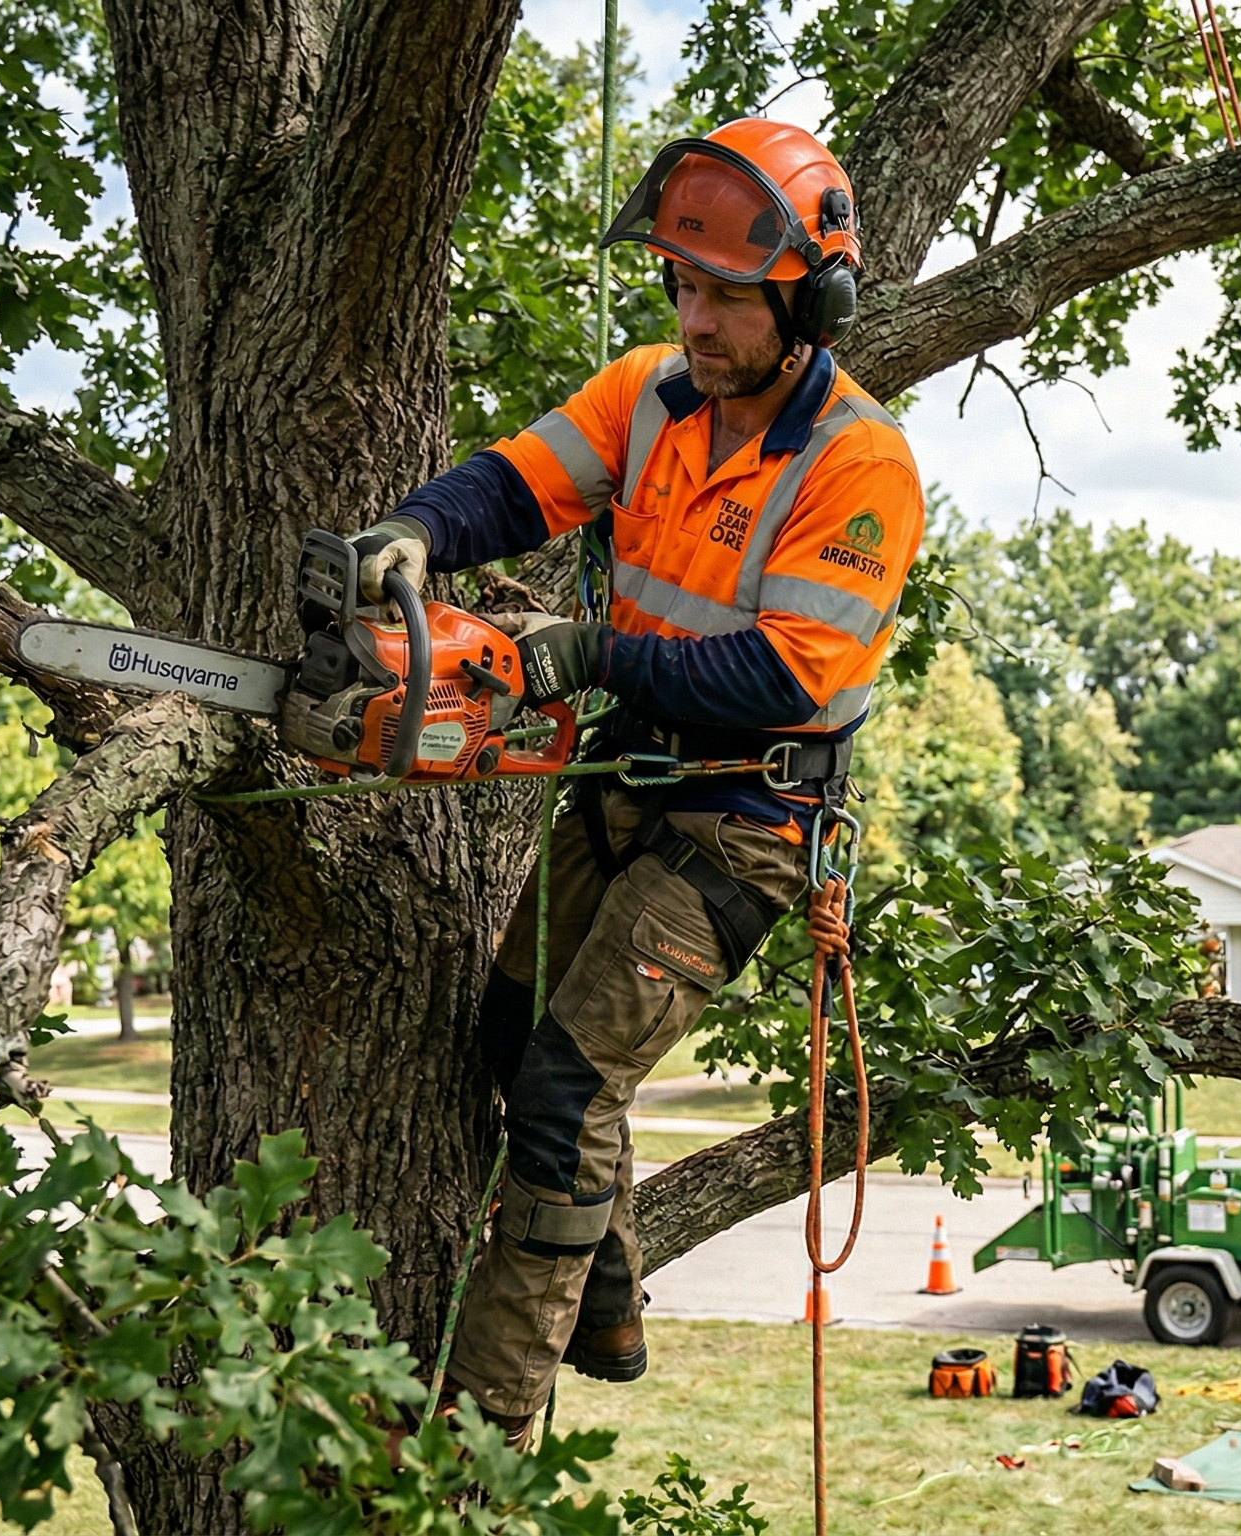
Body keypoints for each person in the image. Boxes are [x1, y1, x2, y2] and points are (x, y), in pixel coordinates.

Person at [349, 119, 923, 1440]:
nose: (697, 319)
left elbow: (784, 675)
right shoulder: (653, 394)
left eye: (724, 295)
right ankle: (606, 1305)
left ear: (808, 304)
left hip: (750, 818)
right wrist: (417, 533)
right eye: (683, 287)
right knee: (502, 1040)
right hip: (628, 773)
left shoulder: (861, 463)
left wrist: (582, 653)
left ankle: (479, 1430)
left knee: (559, 1090)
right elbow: (520, 484)